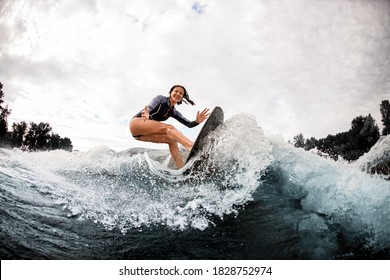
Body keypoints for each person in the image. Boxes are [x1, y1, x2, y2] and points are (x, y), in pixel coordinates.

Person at [129, 85, 210, 169]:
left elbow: (188, 124)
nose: (178, 93)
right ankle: (191, 146)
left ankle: (181, 168)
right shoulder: (160, 99)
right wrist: (147, 113)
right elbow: (150, 107)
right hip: (137, 123)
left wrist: (197, 121)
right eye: (176, 91)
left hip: (140, 136)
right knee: (168, 128)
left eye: (181, 93)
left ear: (182, 97)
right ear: (171, 92)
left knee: (172, 140)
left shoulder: (173, 112)